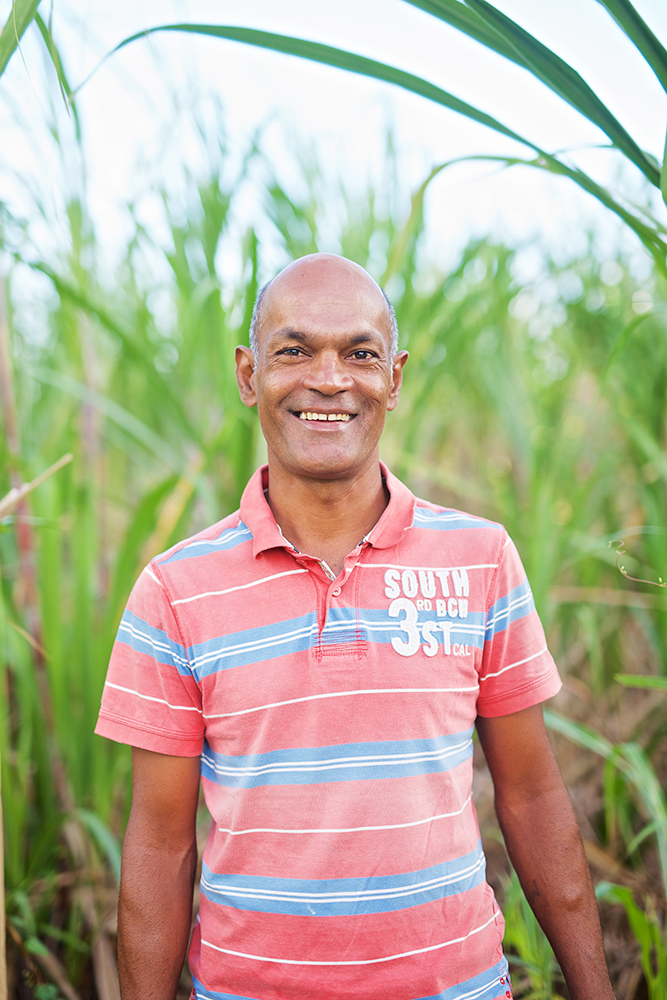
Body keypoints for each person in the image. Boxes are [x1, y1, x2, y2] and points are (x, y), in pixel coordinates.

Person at [95, 253, 615, 1000]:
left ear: (393, 378)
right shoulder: (175, 590)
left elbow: (531, 797)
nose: (330, 379)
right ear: (249, 375)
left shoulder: (479, 559)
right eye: (295, 350)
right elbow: (160, 844)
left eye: (360, 353)